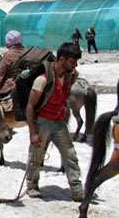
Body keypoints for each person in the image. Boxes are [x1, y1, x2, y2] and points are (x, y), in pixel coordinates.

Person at [25, 42, 84, 201]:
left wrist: (71, 82)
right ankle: (32, 186)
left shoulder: (67, 77)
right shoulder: (42, 80)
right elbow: (30, 106)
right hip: (43, 122)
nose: (75, 65)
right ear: (62, 59)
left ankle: (77, 189)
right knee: (36, 157)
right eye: (72, 62)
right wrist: (33, 132)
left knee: (70, 155)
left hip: (58, 122)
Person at [0, 30, 25, 97]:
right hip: (24, 84)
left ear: (8, 43)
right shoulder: (25, 51)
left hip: (10, 86)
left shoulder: (9, 55)